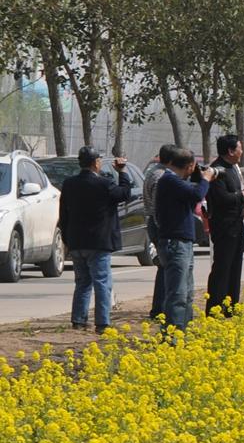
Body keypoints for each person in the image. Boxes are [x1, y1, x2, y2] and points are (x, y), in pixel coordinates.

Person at [58, 147, 136, 334]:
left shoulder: (69, 184)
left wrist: (67, 239)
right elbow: (124, 194)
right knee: (101, 282)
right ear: (96, 163)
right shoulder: (104, 184)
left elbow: (63, 214)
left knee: (82, 282)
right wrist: (123, 172)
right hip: (99, 242)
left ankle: (78, 319)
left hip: (77, 241)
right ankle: (102, 322)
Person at [149, 149, 210, 330]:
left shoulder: (176, 182)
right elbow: (197, 195)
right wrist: (206, 178)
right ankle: (172, 336)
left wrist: (200, 178)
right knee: (177, 294)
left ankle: (184, 332)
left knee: (187, 293)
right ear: (189, 165)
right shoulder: (169, 180)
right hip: (175, 243)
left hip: (183, 242)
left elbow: (191, 200)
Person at [203, 135, 244, 316]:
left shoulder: (233, 169)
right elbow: (221, 198)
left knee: (235, 269)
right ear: (231, 151)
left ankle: (230, 308)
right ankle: (215, 310)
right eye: (240, 148)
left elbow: (237, 194)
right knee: (222, 270)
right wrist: (242, 195)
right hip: (224, 227)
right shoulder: (217, 170)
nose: (242, 151)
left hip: (237, 225)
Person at [140, 141, 180, 257]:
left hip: (156, 223)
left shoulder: (154, 171)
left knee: (164, 268)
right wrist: (165, 228)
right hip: (160, 225)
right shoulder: (161, 176)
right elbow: (159, 205)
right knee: (167, 266)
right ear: (172, 160)